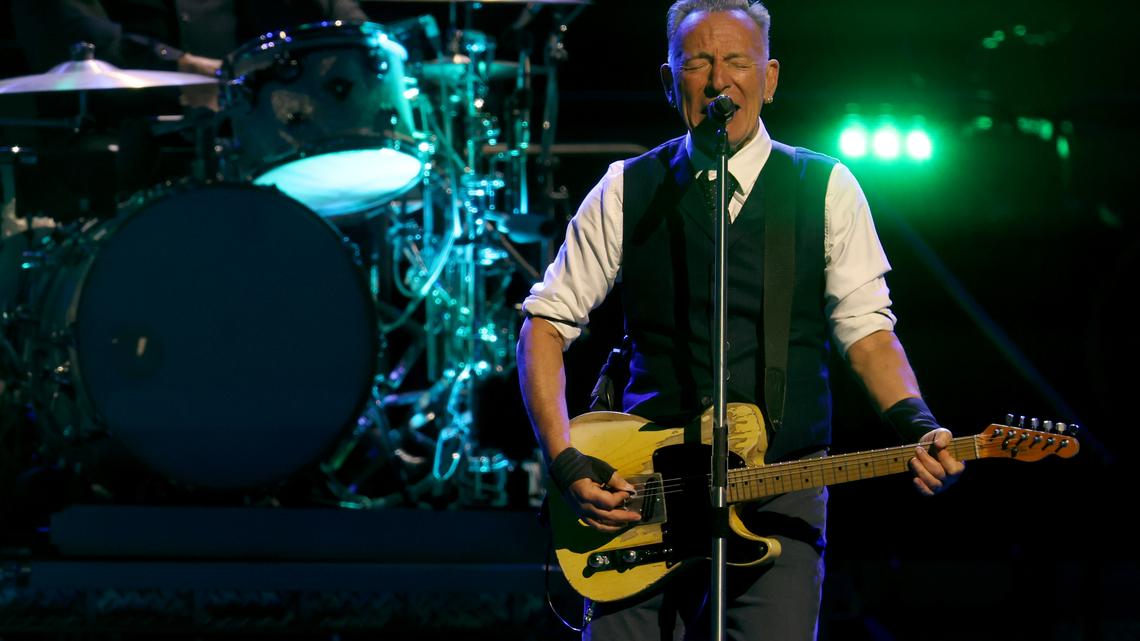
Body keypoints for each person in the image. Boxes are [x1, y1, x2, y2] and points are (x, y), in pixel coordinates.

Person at [516, 1, 966, 639]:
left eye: (736, 61)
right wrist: (563, 459)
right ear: (671, 83)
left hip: (779, 486)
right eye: (697, 62)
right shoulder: (625, 188)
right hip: (644, 490)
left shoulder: (826, 186)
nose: (718, 79)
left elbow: (866, 330)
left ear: (770, 78)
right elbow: (544, 325)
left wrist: (915, 421)